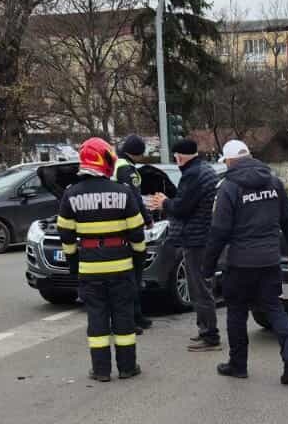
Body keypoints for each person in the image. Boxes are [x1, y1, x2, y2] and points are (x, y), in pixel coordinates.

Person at [204, 139, 288, 384]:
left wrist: (207, 266)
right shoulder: (274, 182)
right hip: (270, 261)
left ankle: (238, 365)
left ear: (229, 161)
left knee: (237, 313)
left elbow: (219, 231)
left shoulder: (228, 187)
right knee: (275, 308)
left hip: (239, 264)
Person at [58, 137, 145, 382]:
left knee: (96, 318)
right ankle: (128, 367)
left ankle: (101, 371)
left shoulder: (71, 195)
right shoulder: (123, 192)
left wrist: (74, 265)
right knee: (124, 317)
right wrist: (138, 260)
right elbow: (137, 232)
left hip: (90, 268)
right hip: (121, 266)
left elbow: (65, 235)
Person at [159, 138, 221, 352]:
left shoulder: (192, 174)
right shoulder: (206, 169)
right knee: (202, 285)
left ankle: (210, 336)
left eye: (175, 156)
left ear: (179, 156)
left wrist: (164, 203)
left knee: (199, 288)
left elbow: (182, 207)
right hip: (205, 235)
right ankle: (205, 329)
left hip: (195, 238)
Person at [115, 135, 155, 333]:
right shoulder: (125, 168)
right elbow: (134, 198)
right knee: (133, 275)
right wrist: (147, 219)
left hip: (117, 228)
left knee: (129, 277)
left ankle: (136, 315)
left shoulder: (115, 163)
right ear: (137, 152)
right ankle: (133, 318)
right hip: (130, 227)